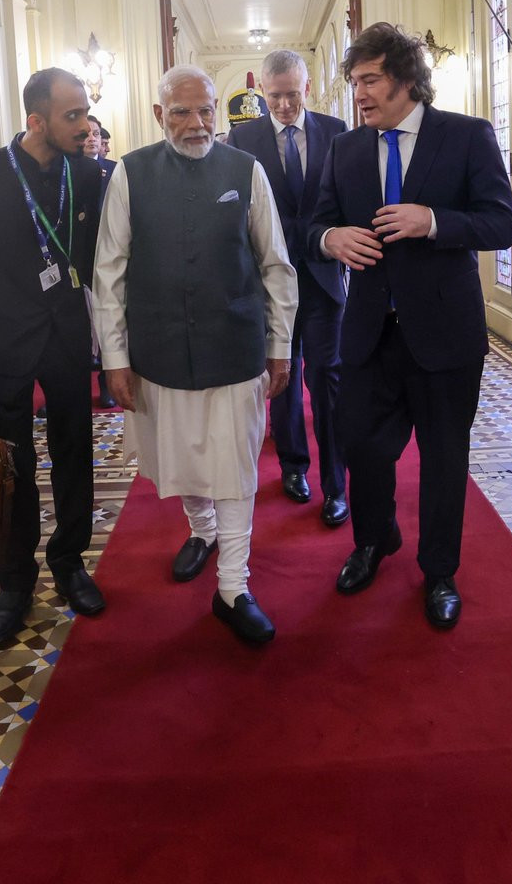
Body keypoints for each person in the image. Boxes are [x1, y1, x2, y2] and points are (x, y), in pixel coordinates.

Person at [308, 23, 512, 629]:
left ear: (405, 79)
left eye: (370, 80)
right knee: (360, 444)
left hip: (446, 334)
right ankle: (374, 541)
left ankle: (439, 571)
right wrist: (330, 238)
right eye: (354, 82)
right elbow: (314, 224)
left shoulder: (467, 135)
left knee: (444, 457)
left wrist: (434, 220)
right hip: (369, 332)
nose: (359, 94)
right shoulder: (346, 149)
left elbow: (501, 224)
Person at [93, 66, 297, 645]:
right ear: (160, 115)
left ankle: (233, 587)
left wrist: (280, 345)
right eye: (181, 112)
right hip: (158, 348)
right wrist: (114, 357)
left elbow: (276, 264)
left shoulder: (246, 169)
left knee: (234, 465)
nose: (196, 123)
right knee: (182, 453)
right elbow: (109, 271)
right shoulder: (131, 172)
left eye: (205, 110)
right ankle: (201, 529)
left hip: (235, 343)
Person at [0, 68, 104, 646]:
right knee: (12, 467)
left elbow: (103, 259)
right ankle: (14, 580)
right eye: (72, 116)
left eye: (85, 113)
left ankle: (70, 562)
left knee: (75, 452)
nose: (84, 126)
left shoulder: (88, 174)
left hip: (67, 336)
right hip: (4, 340)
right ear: (36, 119)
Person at [229, 49, 349, 526]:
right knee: (281, 376)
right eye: (275, 96)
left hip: (322, 279)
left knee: (327, 380)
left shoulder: (336, 132)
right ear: (263, 91)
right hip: (270, 283)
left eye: (292, 95)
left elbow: (346, 200)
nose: (283, 105)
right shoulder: (243, 138)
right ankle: (294, 467)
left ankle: (336, 483)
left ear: (308, 87)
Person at [83, 115, 117, 408]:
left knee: (108, 320)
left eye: (95, 133)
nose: (92, 138)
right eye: (86, 133)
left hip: (107, 258)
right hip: (75, 261)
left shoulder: (115, 170)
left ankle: (107, 384)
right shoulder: (63, 169)